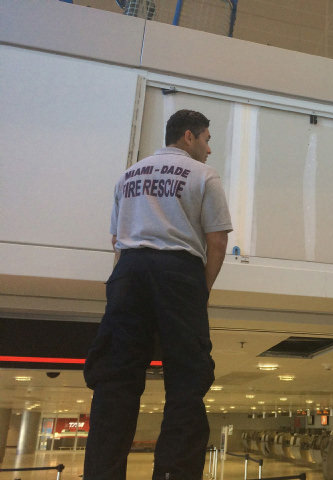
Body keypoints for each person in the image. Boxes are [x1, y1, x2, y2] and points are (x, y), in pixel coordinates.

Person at [83, 110, 232, 480]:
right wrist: (202, 290)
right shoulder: (203, 175)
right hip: (178, 273)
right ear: (188, 136)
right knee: (186, 380)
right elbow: (217, 240)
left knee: (114, 380)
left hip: (128, 273)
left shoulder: (128, 175)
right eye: (207, 139)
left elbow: (117, 241)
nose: (210, 149)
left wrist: (122, 281)